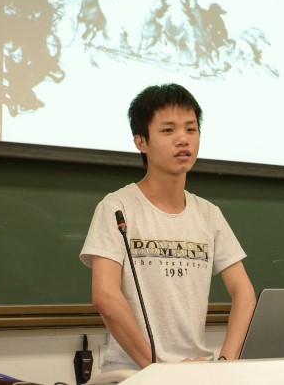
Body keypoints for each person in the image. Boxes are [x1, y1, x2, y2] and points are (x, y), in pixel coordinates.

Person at [80, 83, 256, 372]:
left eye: (191, 129)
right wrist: (159, 369)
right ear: (141, 142)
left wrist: (224, 365)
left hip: (197, 373)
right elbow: (105, 296)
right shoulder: (116, 208)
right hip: (133, 372)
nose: (183, 139)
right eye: (168, 130)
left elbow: (244, 293)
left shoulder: (209, 214)